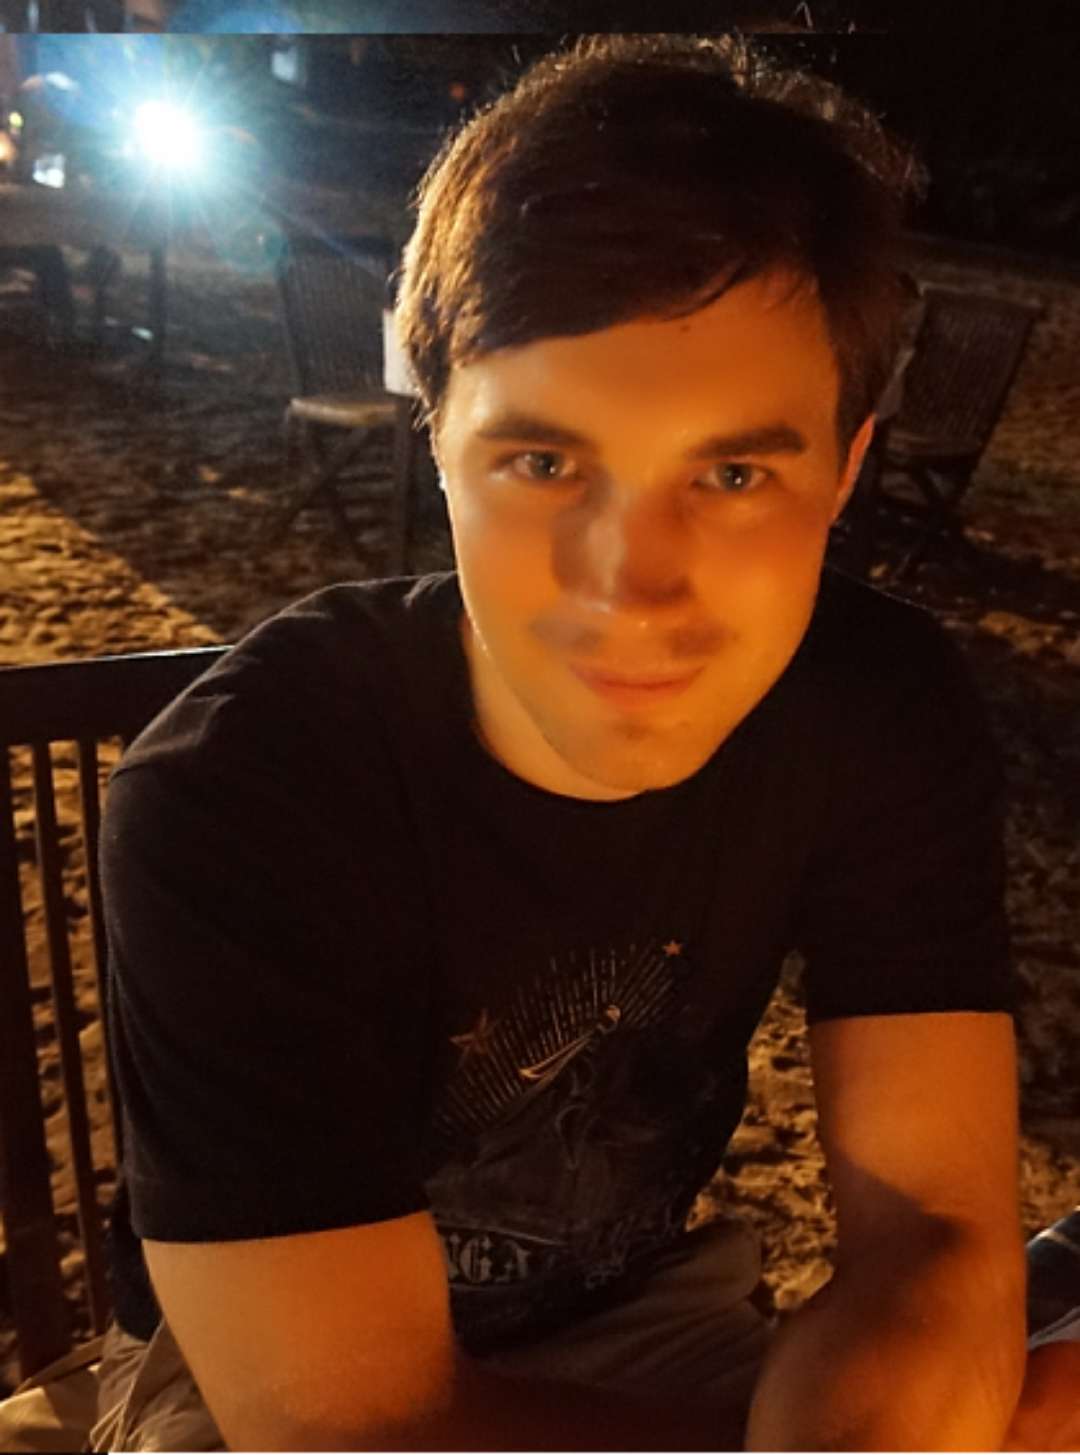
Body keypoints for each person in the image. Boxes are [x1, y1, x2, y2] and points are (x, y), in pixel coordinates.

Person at [68, 31, 1077, 1451]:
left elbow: (934, 1224)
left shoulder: (873, 707)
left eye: (735, 473)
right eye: (543, 461)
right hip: (258, 1372)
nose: (629, 585)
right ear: (435, 438)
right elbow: (353, 1425)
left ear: (848, 469)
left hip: (652, 1313)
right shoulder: (245, 790)